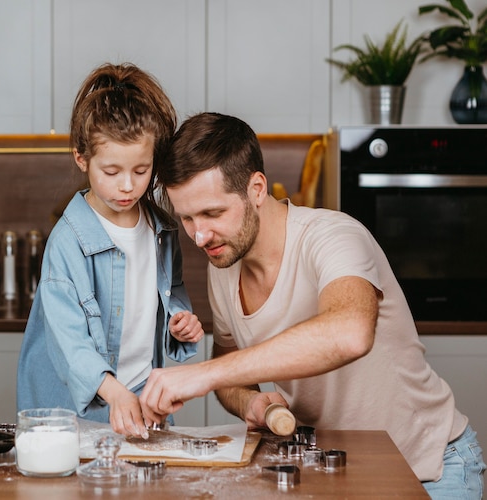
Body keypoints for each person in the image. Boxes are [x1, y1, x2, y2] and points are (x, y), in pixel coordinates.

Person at [139, 112, 485, 498]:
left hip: (429, 468)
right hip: (337, 472)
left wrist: (202, 374)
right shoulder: (224, 265)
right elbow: (233, 370)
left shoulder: (334, 236)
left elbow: (350, 333)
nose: (199, 235)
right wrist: (251, 402)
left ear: (256, 188)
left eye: (212, 213)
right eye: (186, 218)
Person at [17, 63, 203, 439]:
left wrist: (182, 321)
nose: (127, 186)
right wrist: (113, 392)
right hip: (71, 414)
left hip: (137, 399)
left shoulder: (162, 230)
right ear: (82, 159)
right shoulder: (68, 243)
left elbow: (172, 293)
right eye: (111, 171)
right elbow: (69, 343)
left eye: (141, 170)